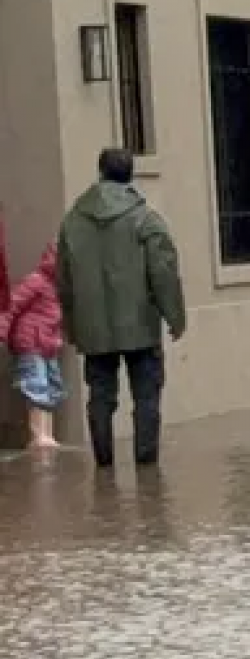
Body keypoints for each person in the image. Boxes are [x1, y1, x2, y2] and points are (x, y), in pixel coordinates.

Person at [57, 148, 186, 468]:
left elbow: (63, 280)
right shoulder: (146, 218)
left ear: (100, 173)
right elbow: (164, 272)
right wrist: (175, 317)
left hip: (93, 329)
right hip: (141, 325)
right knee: (146, 395)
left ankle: (104, 465)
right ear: (130, 175)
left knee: (100, 395)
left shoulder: (73, 221)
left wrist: (72, 326)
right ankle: (146, 467)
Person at [0, 243, 65, 449]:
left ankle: (47, 434)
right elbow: (12, 306)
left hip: (48, 344)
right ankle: (39, 435)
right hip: (30, 342)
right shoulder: (36, 281)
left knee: (52, 388)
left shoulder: (60, 287)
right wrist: (1, 331)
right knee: (36, 385)